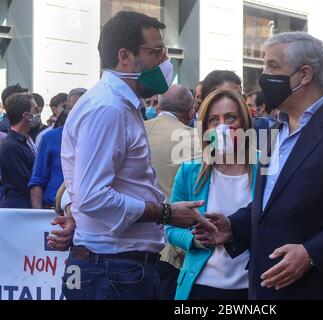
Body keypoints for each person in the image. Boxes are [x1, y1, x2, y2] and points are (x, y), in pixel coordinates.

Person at [194, 31, 323, 300]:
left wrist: (311, 253)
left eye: (272, 66)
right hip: (267, 287)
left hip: (322, 289)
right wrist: (234, 226)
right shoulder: (274, 131)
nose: (263, 75)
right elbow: (271, 203)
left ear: (305, 75)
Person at [60, 11, 215, 300]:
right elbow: (93, 196)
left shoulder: (119, 106)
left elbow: (82, 188)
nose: (164, 62)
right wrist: (167, 213)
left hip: (115, 269)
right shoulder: (109, 109)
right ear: (125, 56)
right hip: (113, 271)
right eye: (156, 52)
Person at [167, 89, 258, 300]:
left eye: (230, 117)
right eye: (213, 120)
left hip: (252, 287)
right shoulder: (190, 170)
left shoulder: (265, 168)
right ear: (205, 128)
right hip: (201, 286)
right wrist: (196, 240)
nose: (222, 126)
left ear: (244, 123)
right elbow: (170, 227)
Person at [144, 84, 199, 300]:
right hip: (173, 250)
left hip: (126, 247)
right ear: (190, 112)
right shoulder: (196, 139)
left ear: (158, 106)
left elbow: (69, 188)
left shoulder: (133, 129)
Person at [29, 88, 87, 209]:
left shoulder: (99, 138)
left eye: (82, 106)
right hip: (52, 211)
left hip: (87, 210)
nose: (77, 112)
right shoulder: (50, 138)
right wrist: (37, 216)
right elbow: (37, 180)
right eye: (72, 107)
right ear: (67, 110)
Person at [0, 93, 39, 208]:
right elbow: (25, 182)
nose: (38, 114)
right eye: (36, 110)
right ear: (27, 115)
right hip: (20, 208)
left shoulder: (27, 140)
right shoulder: (10, 145)